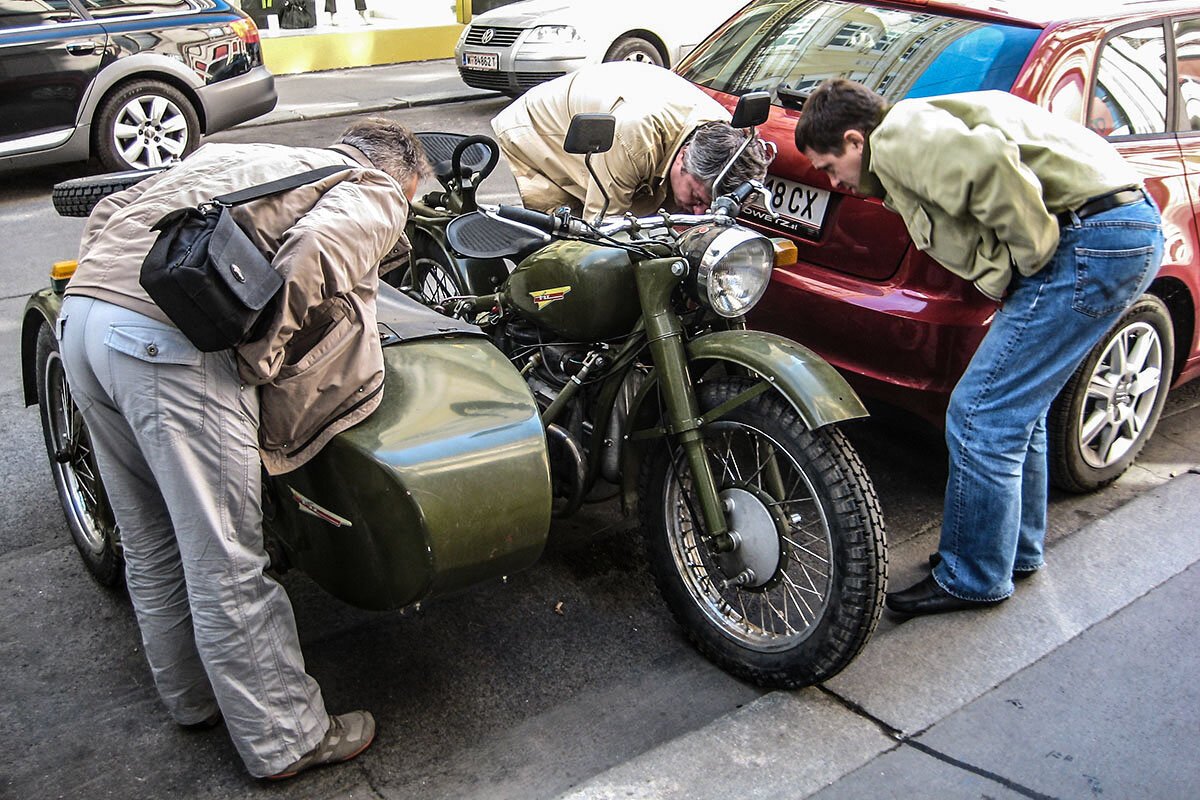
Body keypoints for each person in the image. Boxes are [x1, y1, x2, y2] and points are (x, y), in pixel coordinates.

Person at [57, 117, 430, 777]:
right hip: (168, 349)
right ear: (402, 177)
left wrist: (107, 290)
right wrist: (256, 358)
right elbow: (315, 250)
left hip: (85, 318)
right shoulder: (372, 187)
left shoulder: (247, 154)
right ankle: (286, 739)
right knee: (225, 556)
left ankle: (191, 698)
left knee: (151, 538)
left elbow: (113, 210)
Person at [794, 79, 1165, 616]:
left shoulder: (897, 136)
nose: (835, 182)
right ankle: (1014, 551)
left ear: (855, 140)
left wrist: (1033, 260)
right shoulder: (920, 123)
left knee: (979, 415)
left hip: (1090, 241)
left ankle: (972, 576)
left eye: (830, 167)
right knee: (1016, 412)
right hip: (1118, 231)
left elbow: (992, 167)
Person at [491, 61, 771, 220]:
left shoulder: (723, 133)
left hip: (612, 128)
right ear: (683, 156)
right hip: (541, 135)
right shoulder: (635, 137)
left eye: (707, 205)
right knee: (566, 243)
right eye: (697, 199)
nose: (699, 213)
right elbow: (601, 223)